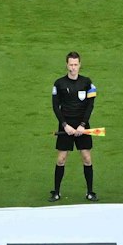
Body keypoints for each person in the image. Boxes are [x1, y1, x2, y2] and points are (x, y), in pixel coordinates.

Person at [50, 51, 98, 202]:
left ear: (80, 65)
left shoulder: (87, 83)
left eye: (75, 65)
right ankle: (56, 192)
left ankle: (90, 192)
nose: (73, 68)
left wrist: (83, 125)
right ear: (66, 64)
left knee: (87, 158)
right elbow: (55, 107)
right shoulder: (59, 83)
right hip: (66, 126)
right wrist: (65, 125)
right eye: (70, 64)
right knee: (61, 159)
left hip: (82, 126)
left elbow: (90, 106)